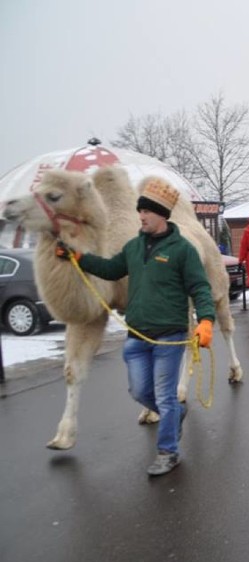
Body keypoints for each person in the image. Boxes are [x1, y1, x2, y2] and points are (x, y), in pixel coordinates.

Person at [55, 178, 214, 476]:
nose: (140, 216)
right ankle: (176, 414)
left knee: (164, 397)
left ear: (161, 215)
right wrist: (79, 258)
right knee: (140, 390)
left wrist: (205, 320)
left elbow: (200, 288)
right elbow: (110, 269)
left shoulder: (182, 250)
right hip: (137, 336)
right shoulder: (133, 247)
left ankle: (168, 451)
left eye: (146, 212)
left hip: (170, 336)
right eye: (139, 211)